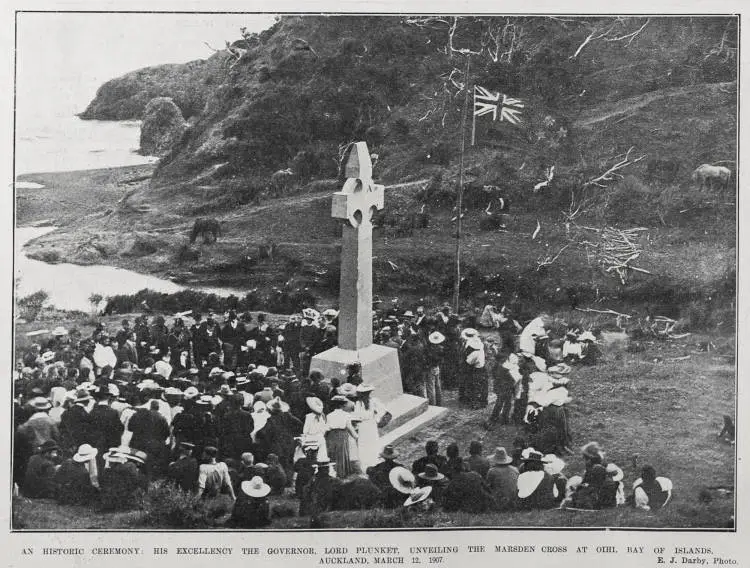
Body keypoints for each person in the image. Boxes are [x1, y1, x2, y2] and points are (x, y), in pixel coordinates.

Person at [352, 384, 390, 471]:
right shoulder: (359, 403)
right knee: (366, 444)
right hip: (365, 426)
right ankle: (368, 464)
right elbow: (356, 416)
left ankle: (371, 463)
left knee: (369, 443)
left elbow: (382, 410)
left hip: (368, 425)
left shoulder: (372, 402)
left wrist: (376, 419)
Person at [325, 395, 359, 479]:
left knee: (332, 453)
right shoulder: (346, 415)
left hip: (331, 435)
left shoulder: (329, 415)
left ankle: (333, 472)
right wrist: (356, 436)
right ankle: (342, 472)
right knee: (342, 453)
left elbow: (327, 428)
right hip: (342, 435)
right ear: (342, 405)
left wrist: (323, 436)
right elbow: (349, 427)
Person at [486, 447, 518, 511]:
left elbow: (488, 486)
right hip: (513, 503)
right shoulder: (515, 470)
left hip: (498, 503)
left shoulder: (492, 471)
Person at [302, 397, 329, 462]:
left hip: (310, 438)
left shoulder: (309, 416)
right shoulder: (323, 416)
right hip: (320, 438)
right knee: (321, 457)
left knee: (311, 458)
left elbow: (305, 430)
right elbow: (324, 429)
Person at [424, 331, 445, 406]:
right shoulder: (441, 348)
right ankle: (439, 402)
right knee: (438, 386)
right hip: (437, 367)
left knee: (431, 387)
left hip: (431, 368)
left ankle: (432, 404)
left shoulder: (430, 349)